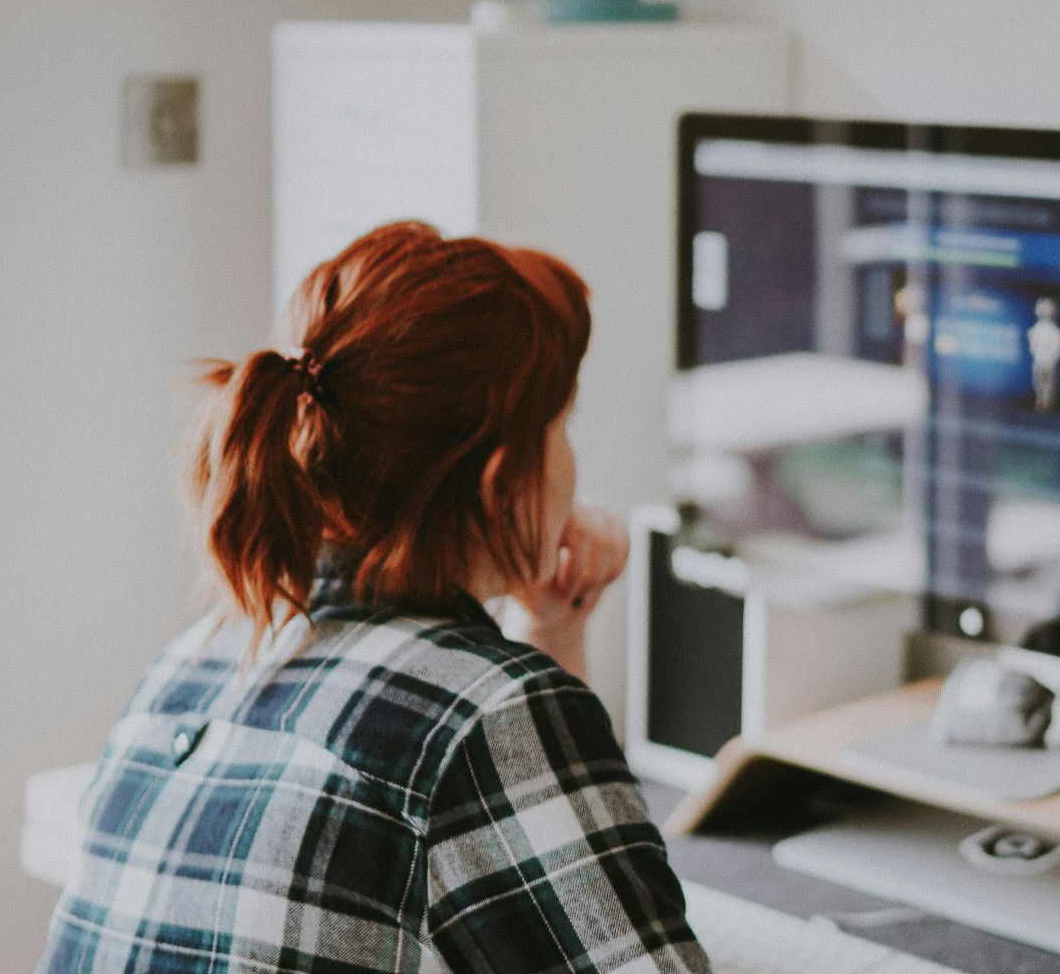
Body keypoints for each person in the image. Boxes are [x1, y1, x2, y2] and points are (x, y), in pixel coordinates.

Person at [38, 222, 710, 974]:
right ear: (501, 483)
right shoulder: (485, 714)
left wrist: (552, 622)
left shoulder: (194, 660)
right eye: (561, 426)